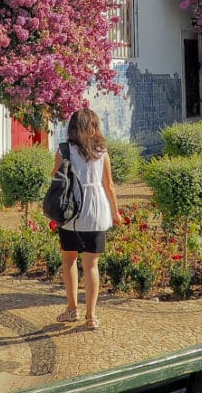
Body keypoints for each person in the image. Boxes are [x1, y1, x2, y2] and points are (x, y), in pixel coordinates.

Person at [53, 108, 122, 331]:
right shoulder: (101, 151)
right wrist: (115, 211)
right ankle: (91, 316)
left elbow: (57, 182)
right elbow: (109, 185)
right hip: (96, 211)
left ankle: (72, 309)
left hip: (71, 213)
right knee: (92, 265)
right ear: (94, 126)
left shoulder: (64, 150)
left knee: (69, 260)